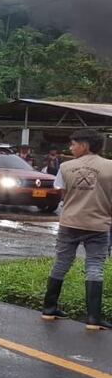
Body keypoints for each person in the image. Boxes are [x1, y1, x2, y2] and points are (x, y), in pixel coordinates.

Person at [41, 129, 112, 329]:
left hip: (69, 222)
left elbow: (63, 194)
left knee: (62, 263)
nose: (70, 148)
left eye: (73, 144)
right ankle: (93, 319)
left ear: (85, 145)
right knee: (95, 267)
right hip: (98, 224)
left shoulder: (65, 167)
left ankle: (49, 308)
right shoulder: (110, 167)